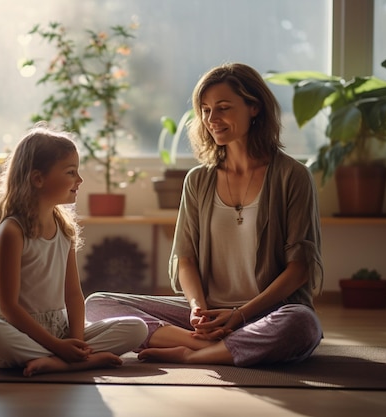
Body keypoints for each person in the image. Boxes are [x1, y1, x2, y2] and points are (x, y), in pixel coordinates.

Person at [85, 63, 323, 367]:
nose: (212, 119)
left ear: (254, 108)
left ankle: (191, 354)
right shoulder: (198, 180)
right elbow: (185, 258)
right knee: (99, 304)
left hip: (266, 312)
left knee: (302, 324)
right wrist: (198, 310)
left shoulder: (294, 176)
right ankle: (203, 343)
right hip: (207, 315)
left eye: (223, 108)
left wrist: (239, 315)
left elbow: (299, 269)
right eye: (206, 110)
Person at [0, 124, 148, 377]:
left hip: (59, 329)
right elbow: (9, 306)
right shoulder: (12, 231)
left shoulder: (64, 229)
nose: (79, 180)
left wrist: (76, 344)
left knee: (137, 328)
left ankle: (60, 362)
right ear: (38, 179)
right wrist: (58, 347)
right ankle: (68, 361)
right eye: (70, 172)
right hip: (16, 330)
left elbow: (74, 296)